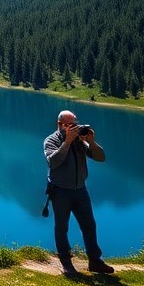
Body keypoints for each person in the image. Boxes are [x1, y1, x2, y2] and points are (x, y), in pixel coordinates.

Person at [43, 109, 115, 276]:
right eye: (69, 125)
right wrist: (67, 142)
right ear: (59, 124)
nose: (73, 128)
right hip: (60, 191)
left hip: (80, 190)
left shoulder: (79, 141)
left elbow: (100, 157)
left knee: (89, 225)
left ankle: (95, 261)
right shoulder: (51, 140)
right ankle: (66, 262)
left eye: (74, 124)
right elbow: (53, 162)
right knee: (62, 227)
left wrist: (91, 141)